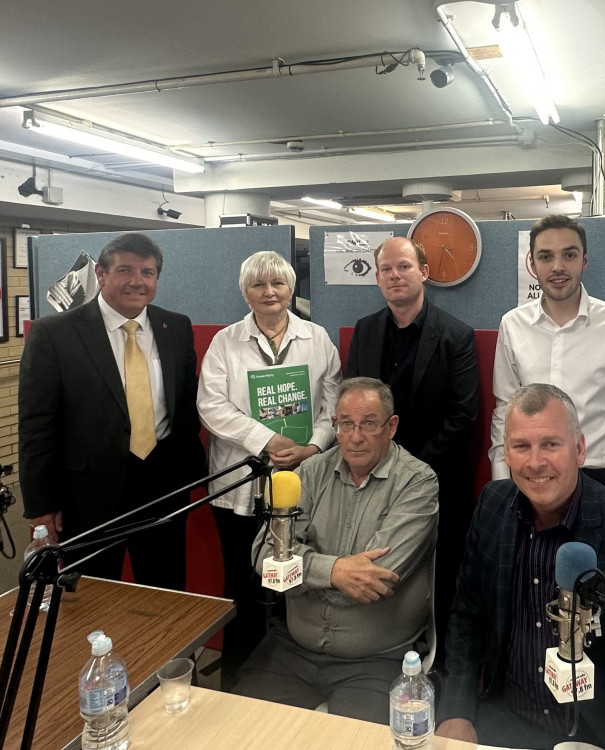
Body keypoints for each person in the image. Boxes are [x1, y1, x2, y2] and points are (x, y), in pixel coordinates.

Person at [438, 383, 605, 750]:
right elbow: (466, 616)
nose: (535, 462)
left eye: (550, 444)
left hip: (597, 733)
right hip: (507, 721)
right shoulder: (492, 507)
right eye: (521, 446)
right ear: (505, 453)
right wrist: (456, 711)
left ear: (579, 449)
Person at [234, 377, 438, 723]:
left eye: (368, 424)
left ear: (391, 427)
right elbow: (264, 557)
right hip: (293, 648)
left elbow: (375, 581)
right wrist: (335, 573)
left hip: (377, 658)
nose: (355, 437)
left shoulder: (417, 482)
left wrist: (300, 569)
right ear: (335, 426)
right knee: (238, 730)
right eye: (346, 424)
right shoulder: (309, 473)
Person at [19, 232, 205, 590]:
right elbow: (37, 426)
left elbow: (184, 404)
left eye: (148, 272)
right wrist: (42, 504)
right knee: (91, 591)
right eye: (125, 270)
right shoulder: (55, 334)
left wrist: (188, 472)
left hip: (162, 483)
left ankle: (164, 648)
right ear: (101, 274)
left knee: (164, 586)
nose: (138, 281)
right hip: (88, 491)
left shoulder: (175, 327)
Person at [197, 250, 342, 686]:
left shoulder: (317, 338)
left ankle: (288, 675)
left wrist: (312, 445)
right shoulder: (226, 342)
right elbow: (211, 405)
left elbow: (333, 401)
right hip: (240, 479)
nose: (269, 292)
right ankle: (237, 676)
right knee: (242, 583)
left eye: (277, 283)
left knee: (292, 580)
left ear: (290, 289)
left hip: (300, 477)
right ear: (246, 292)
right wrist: (266, 440)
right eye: (259, 285)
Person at [344, 236, 478, 665]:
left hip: (436, 480)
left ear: (423, 272)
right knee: (376, 566)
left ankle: (441, 667)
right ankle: (377, 656)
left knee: (439, 581)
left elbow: (463, 414)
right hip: (367, 480)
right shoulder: (365, 331)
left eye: (403, 266)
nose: (395, 275)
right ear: (378, 277)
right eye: (386, 269)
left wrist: (411, 470)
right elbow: (351, 403)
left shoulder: (456, 335)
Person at [490, 214, 605, 508]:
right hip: (532, 478)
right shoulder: (512, 325)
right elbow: (504, 409)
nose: (557, 267)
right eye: (546, 256)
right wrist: (502, 481)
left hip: (600, 480)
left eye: (569, 254)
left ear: (584, 260)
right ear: (532, 264)